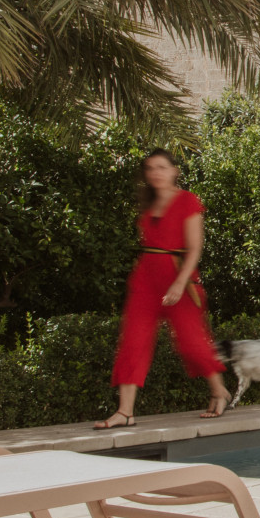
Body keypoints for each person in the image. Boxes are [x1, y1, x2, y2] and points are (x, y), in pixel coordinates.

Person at [94, 149, 230, 428]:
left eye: (161, 167)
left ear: (174, 170)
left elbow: (194, 248)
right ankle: (125, 412)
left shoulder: (187, 200)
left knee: (192, 343)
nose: (155, 172)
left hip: (179, 277)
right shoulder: (148, 203)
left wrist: (180, 283)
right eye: (150, 168)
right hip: (145, 279)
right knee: (133, 341)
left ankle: (220, 391)